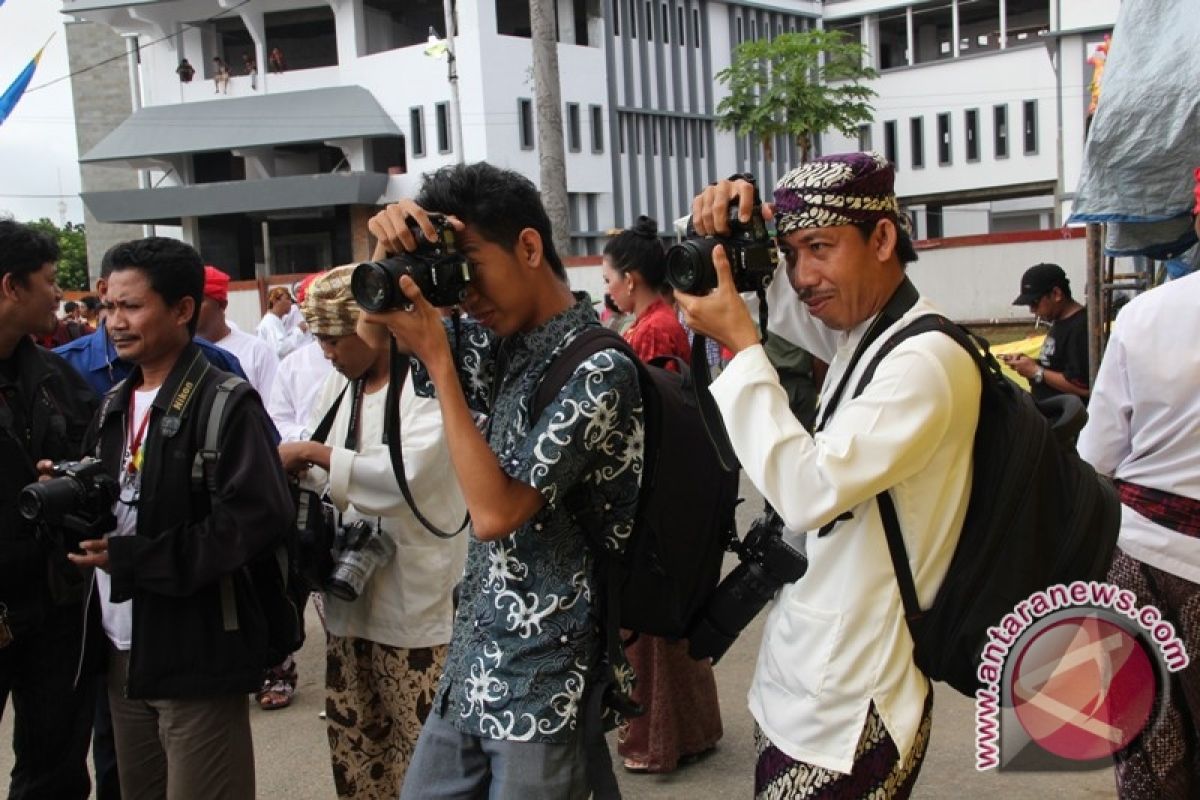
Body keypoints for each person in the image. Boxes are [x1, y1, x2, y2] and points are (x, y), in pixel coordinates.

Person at [675, 153, 980, 798]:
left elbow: (806, 492)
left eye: (819, 247)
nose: (803, 275)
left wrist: (742, 348)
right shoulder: (869, 336)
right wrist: (730, 220)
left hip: (854, 705)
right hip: (809, 684)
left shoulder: (923, 359)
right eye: (788, 252)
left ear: (882, 237)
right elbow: (777, 300)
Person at [363, 162, 644, 799]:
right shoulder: (499, 339)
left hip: (547, 679)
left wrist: (438, 355)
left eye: (470, 264)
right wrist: (387, 251)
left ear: (528, 245)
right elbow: (365, 340)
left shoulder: (601, 365)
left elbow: (495, 512)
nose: (465, 296)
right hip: (473, 662)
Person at [64, 236, 293, 799]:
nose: (115, 322)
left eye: (132, 306)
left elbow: (254, 521)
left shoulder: (224, 401)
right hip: (122, 653)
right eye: (108, 307)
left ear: (183, 309)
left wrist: (137, 560)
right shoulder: (114, 403)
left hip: (197, 650)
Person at [277, 266, 467, 798]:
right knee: (360, 746)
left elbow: (403, 478)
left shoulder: (428, 385)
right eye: (318, 340)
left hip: (417, 607)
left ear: (370, 328)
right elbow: (328, 473)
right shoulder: (339, 391)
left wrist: (314, 455)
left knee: (427, 751)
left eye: (334, 339)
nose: (326, 353)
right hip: (350, 602)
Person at [1076, 203, 1200, 798]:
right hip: (1150, 554)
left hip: (1144, 562)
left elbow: (1096, 455)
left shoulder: (1144, 316)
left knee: (1152, 755)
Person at [600, 216, 722, 773]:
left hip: (655, 488)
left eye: (608, 278)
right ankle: (688, 732)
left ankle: (661, 740)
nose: (606, 289)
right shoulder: (653, 322)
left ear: (629, 279)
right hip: (673, 485)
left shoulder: (649, 332)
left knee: (651, 624)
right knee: (668, 626)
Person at [0, 219, 98, 799]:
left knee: (55, 767)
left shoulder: (57, 377)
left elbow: (95, 465)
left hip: (54, 604)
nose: (58, 293)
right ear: (12, 287)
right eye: (48, 280)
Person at [1000, 263, 1090, 402]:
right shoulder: (1060, 322)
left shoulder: (1080, 328)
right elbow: (1056, 366)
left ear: (1056, 294)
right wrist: (1028, 363)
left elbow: (1085, 387)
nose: (1032, 310)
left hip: (1069, 418)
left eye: (1034, 303)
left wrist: (1036, 371)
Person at [196, 265, 278, 402]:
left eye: (200, 300)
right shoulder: (175, 353)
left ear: (222, 305)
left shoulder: (257, 351)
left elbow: (272, 409)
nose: (191, 307)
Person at [257, 285, 307, 360]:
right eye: (287, 299)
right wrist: (299, 331)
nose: (290, 303)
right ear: (275, 301)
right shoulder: (270, 322)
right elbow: (280, 349)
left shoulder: (275, 320)